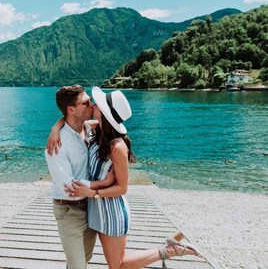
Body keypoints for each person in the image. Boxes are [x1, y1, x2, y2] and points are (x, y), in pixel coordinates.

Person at [47, 87, 201, 269]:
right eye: (87, 102)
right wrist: (55, 128)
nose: (92, 105)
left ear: (104, 113)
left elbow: (123, 187)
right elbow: (69, 119)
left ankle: (168, 251)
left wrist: (95, 190)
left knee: (117, 265)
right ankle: (167, 249)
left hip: (107, 207)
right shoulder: (94, 132)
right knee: (83, 263)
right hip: (90, 209)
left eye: (94, 103)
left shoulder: (115, 145)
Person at [44, 85, 116, 269]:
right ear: (71, 109)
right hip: (69, 210)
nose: (92, 105)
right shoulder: (57, 144)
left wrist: (57, 123)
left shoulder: (89, 128)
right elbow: (69, 187)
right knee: (77, 266)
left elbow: (113, 124)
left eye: (90, 100)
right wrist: (104, 182)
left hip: (91, 206)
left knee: (85, 258)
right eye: (86, 102)